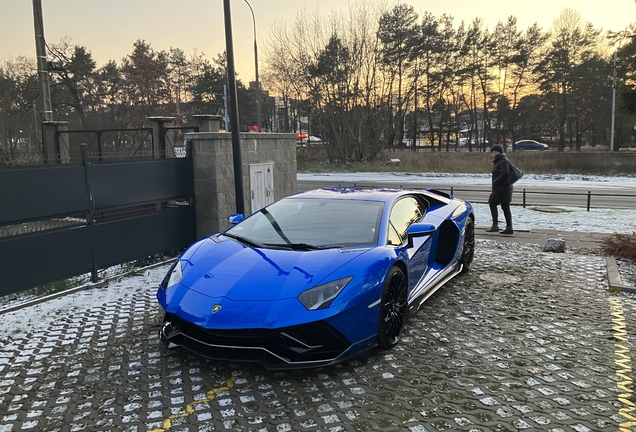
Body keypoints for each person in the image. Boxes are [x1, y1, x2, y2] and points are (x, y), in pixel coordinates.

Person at [487, 145, 514, 234]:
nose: (494, 154)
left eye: (495, 152)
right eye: (493, 152)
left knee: (492, 203)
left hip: (501, 188)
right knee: (505, 206)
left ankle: (495, 225)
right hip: (504, 187)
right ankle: (509, 227)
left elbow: (505, 173)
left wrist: (496, 182)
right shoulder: (500, 161)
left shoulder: (502, 161)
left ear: (500, 152)